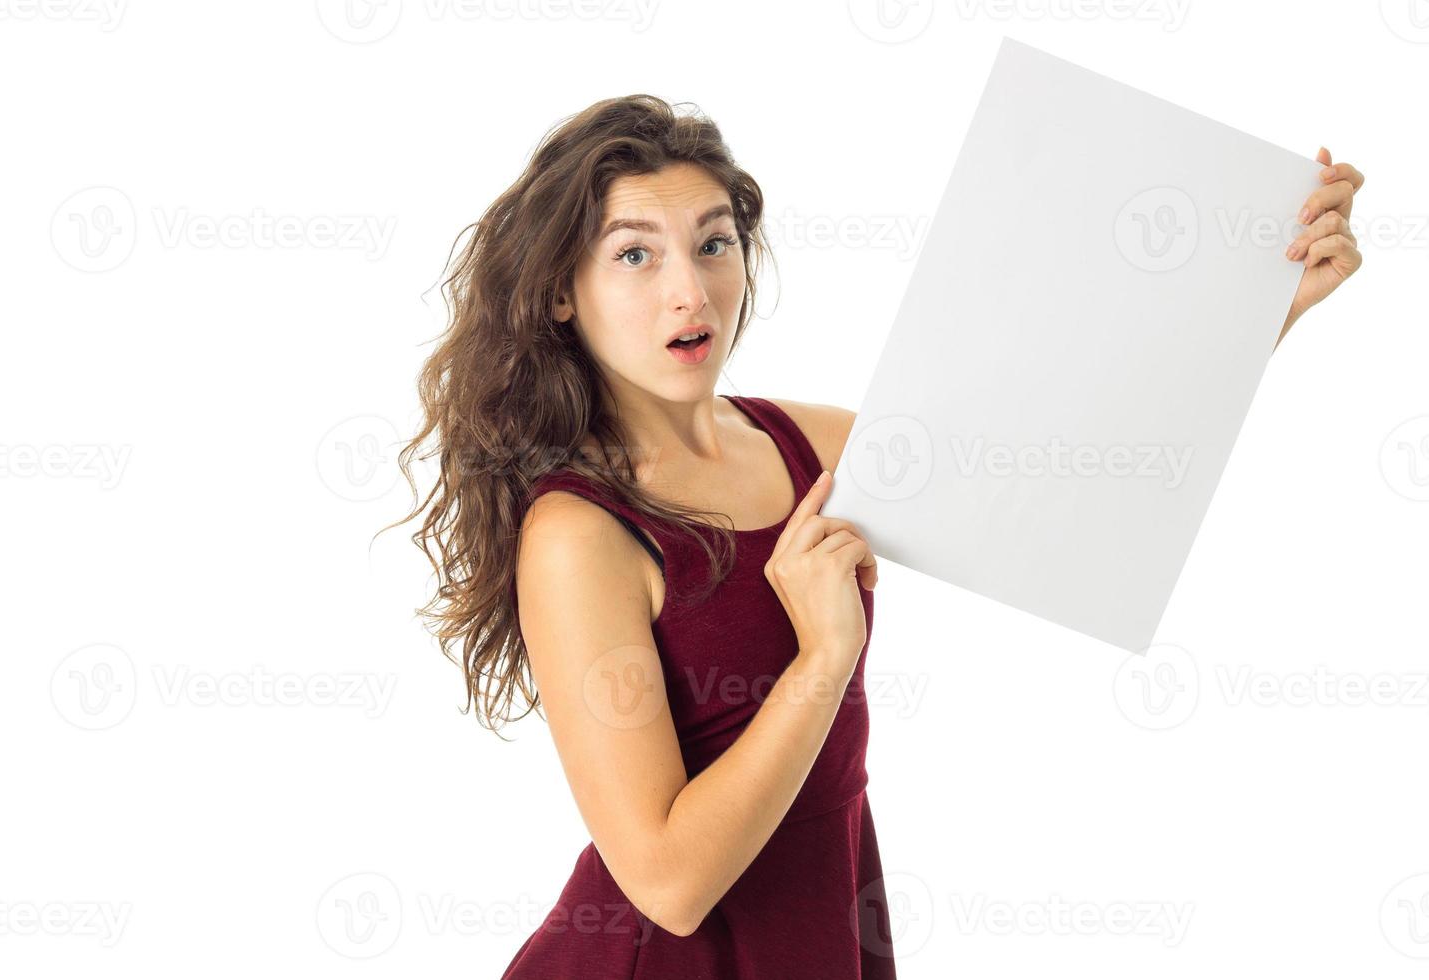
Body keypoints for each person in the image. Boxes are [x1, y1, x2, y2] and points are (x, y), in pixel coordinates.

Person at [390, 94, 1363, 978]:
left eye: (714, 243)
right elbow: (668, 884)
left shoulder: (807, 442)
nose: (689, 290)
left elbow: (1078, 475)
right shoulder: (578, 531)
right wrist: (825, 649)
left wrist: (1263, 305)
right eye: (635, 253)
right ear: (563, 290)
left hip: (823, 926)